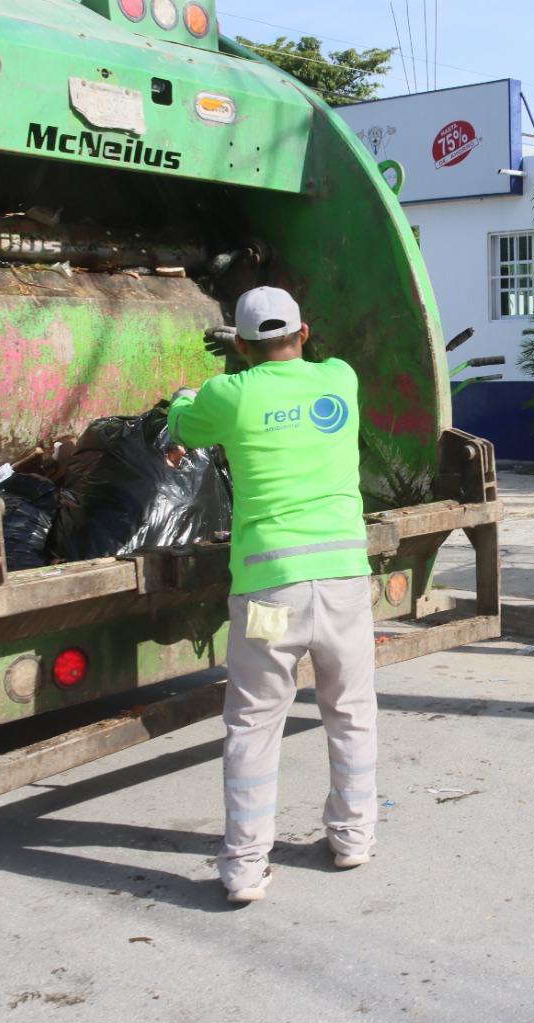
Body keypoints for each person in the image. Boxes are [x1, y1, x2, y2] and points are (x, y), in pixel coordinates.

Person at [168, 286, 377, 904]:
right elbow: (304, 377)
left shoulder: (226, 395)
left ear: (238, 344)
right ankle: (353, 837)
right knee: (351, 708)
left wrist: (186, 397)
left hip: (268, 596)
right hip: (342, 583)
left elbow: (182, 422)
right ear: (305, 333)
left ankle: (243, 868)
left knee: (255, 723)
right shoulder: (340, 380)